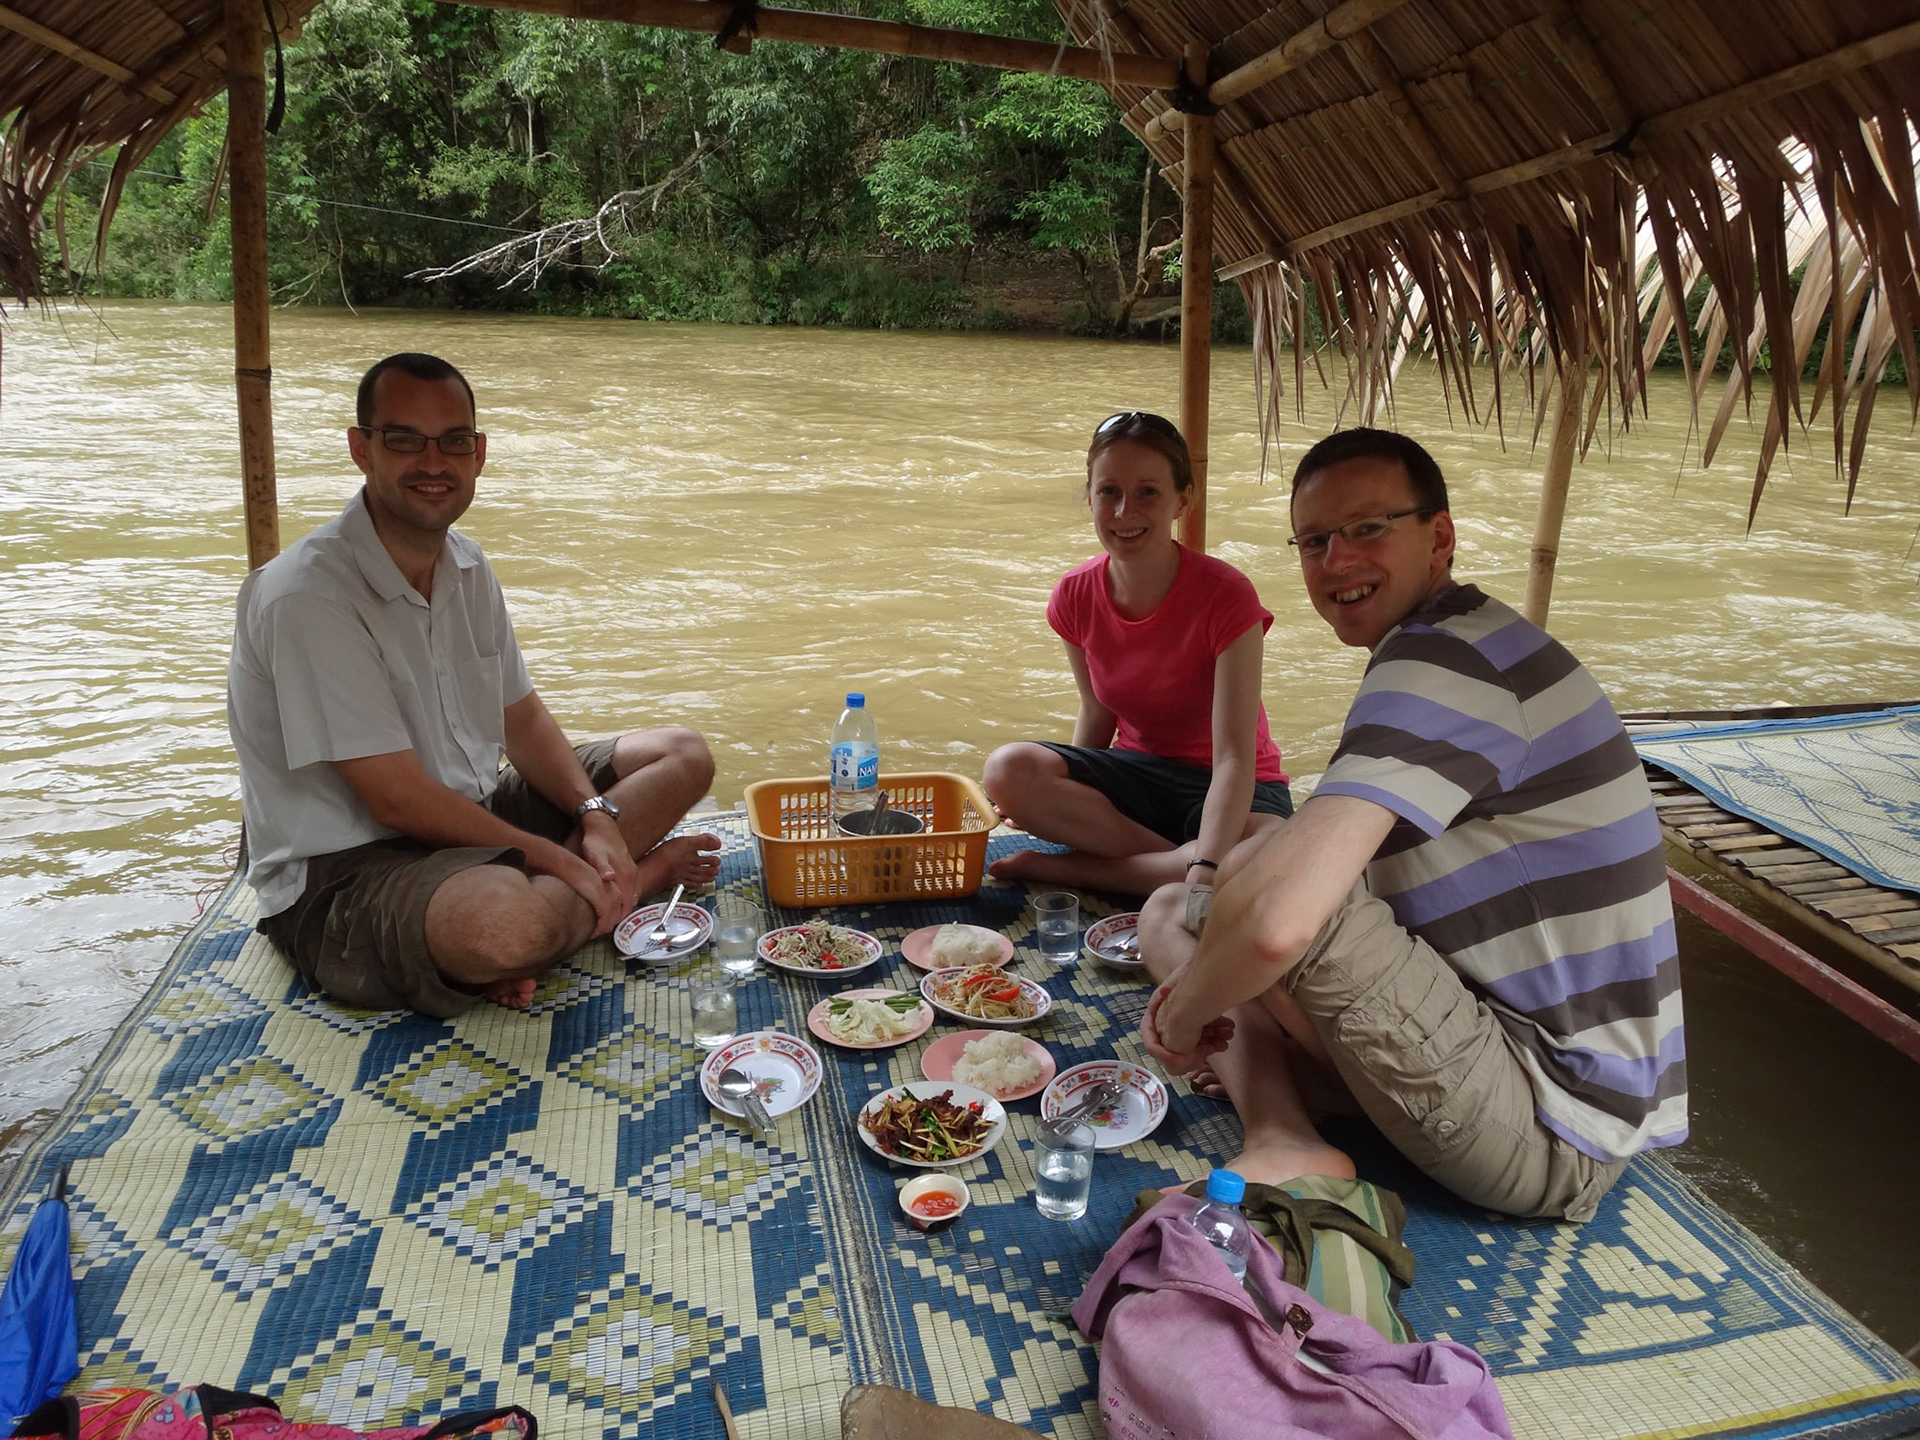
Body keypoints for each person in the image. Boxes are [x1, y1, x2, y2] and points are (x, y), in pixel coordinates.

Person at [1137, 428, 1686, 1223]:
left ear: (1440, 536)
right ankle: (1303, 1103)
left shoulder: (1447, 664)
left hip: (1551, 1126)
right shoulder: (1467, 639)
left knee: (1263, 900)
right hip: (1546, 1081)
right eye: (1315, 540)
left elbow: (1278, 926)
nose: (1336, 561)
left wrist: (1182, 1017)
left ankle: (1283, 1131)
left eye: (1368, 529)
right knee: (1215, 886)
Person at [227, 352, 721, 1017]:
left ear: (479, 454)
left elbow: (521, 718)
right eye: (404, 439)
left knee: (681, 755)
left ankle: (585, 891)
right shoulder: (307, 597)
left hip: (474, 818)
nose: (434, 462)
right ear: (360, 449)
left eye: (454, 441)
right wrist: (560, 860)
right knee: (500, 926)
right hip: (349, 871)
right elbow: (395, 802)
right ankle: (626, 885)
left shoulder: (466, 564)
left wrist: (594, 819)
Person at [983, 411, 1294, 897]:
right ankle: (1167, 865)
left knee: (1265, 850)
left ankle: (1088, 871)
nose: (1125, 511)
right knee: (1008, 769)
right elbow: (1096, 711)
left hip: (1230, 785)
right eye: (1109, 492)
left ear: (1181, 501)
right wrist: (1051, 794)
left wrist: (1208, 866)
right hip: (1137, 778)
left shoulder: (1227, 595)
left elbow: (1235, 757)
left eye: (1148, 492)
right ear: (1090, 498)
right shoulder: (1075, 593)